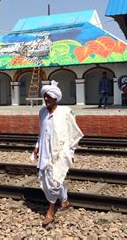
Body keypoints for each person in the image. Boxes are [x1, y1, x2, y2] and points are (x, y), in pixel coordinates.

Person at [32, 80, 84, 226]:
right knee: (48, 177)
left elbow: (74, 134)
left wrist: (72, 153)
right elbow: (42, 132)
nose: (46, 99)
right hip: (45, 152)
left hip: (60, 152)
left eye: (49, 97)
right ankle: (65, 201)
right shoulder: (42, 112)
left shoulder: (65, 112)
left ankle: (50, 211)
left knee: (54, 180)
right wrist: (37, 147)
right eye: (45, 96)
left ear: (56, 98)